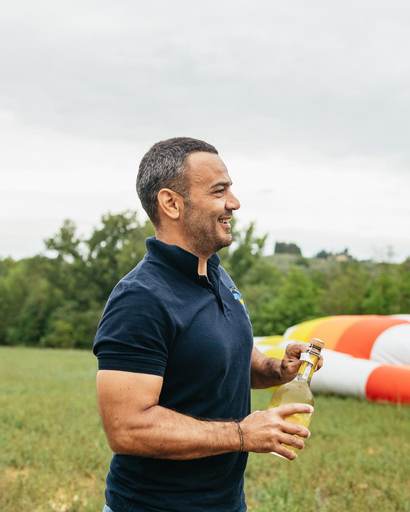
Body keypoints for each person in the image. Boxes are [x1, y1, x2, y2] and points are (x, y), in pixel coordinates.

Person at [93, 137, 321, 512]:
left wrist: (278, 369)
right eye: (220, 191)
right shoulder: (140, 299)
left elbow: (228, 361)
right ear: (171, 203)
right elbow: (127, 428)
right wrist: (241, 434)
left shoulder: (216, 274)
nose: (234, 202)